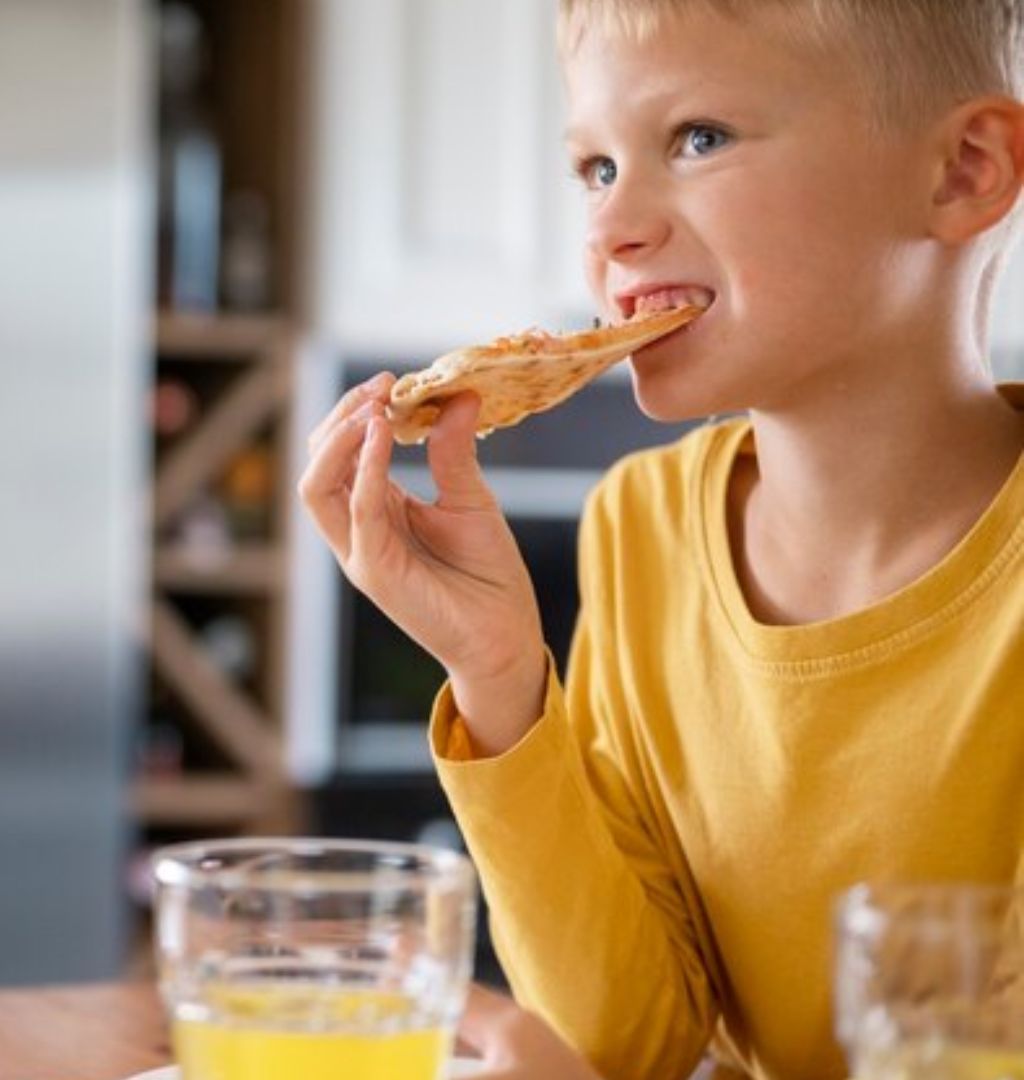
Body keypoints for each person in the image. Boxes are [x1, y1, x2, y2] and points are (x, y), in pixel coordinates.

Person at [299, 1, 1024, 1076]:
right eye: (594, 167)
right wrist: (499, 678)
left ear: (963, 170)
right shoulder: (639, 530)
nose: (608, 228)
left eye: (698, 139)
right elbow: (631, 1041)